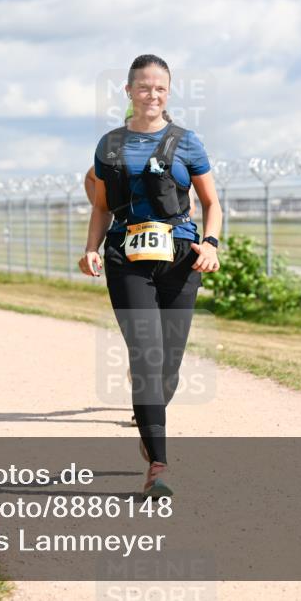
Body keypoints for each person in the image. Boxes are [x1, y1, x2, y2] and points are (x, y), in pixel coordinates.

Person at [79, 54, 222, 498]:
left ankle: (149, 416)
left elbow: (212, 204)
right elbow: (102, 205)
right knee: (146, 355)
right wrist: (90, 248)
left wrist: (211, 245)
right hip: (125, 256)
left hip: (180, 259)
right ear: (128, 92)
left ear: (168, 93)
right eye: (144, 87)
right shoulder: (109, 146)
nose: (152, 94)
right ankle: (158, 467)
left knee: (168, 368)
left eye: (160, 88)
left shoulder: (188, 142)